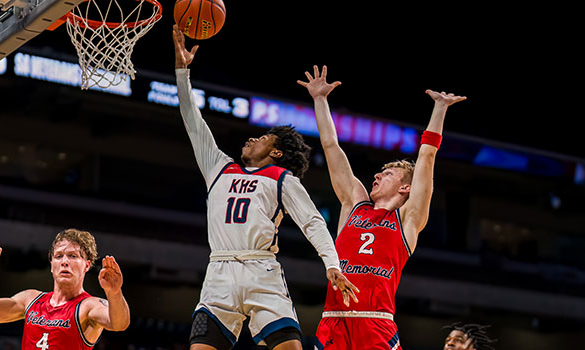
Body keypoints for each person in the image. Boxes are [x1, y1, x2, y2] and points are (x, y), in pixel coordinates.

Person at [172, 25, 358, 350]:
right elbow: (193, 120)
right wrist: (182, 71)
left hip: (262, 272)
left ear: (275, 152)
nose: (251, 138)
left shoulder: (282, 179)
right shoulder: (219, 167)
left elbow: (313, 223)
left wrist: (332, 265)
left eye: (262, 138)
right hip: (219, 273)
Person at [297, 65, 466, 349]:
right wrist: (320, 100)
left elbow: (426, 159)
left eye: (387, 174)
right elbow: (331, 147)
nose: (376, 175)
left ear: (405, 188)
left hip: (376, 322)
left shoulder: (409, 219)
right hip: (334, 320)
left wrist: (440, 109)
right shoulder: (354, 204)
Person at [0, 229, 129, 349]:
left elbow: (119, 324)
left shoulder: (88, 306)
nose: (64, 261)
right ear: (51, 265)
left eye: (73, 256)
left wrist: (114, 293)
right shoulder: (30, 299)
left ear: (86, 266)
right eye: (58, 256)